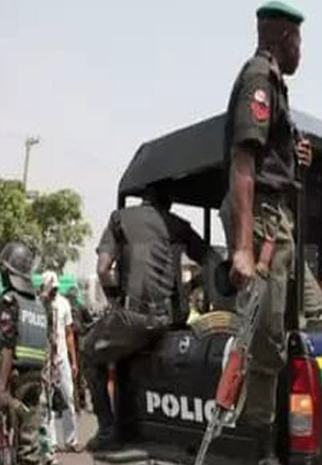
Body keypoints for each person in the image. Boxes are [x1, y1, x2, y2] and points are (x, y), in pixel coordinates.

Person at [218, 2, 308, 463]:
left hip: (276, 221)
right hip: (265, 224)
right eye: (298, 42)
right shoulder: (259, 78)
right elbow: (243, 162)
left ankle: (265, 445)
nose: (301, 52)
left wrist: (295, 155)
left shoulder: (275, 85)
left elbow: (270, 157)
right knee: (263, 339)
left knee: (271, 338)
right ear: (282, 38)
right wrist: (243, 248)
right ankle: (258, 451)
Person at [83, 184, 209, 451]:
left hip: (135, 316)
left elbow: (103, 270)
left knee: (88, 353)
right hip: (170, 320)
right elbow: (210, 257)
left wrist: (116, 299)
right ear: (167, 203)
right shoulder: (176, 224)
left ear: (143, 199)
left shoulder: (120, 218)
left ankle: (108, 432)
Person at [0, 242, 54, 465]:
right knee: (28, 448)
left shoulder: (9, 301)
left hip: (9, 381)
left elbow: (7, 345)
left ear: (10, 272)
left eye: (4, 270)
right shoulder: (39, 306)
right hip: (33, 382)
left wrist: (1, 389)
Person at [40, 272, 83, 453]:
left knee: (68, 398)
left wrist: (74, 361)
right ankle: (51, 441)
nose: (54, 291)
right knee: (46, 402)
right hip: (45, 358)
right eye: (51, 287)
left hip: (62, 357)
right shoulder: (38, 304)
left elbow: (69, 334)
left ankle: (71, 439)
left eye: (55, 288)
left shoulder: (64, 303)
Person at [66, 286, 92, 411]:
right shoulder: (81, 307)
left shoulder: (65, 308)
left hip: (68, 345)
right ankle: (81, 402)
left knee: (71, 374)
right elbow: (90, 323)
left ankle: (74, 402)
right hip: (77, 345)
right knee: (80, 374)